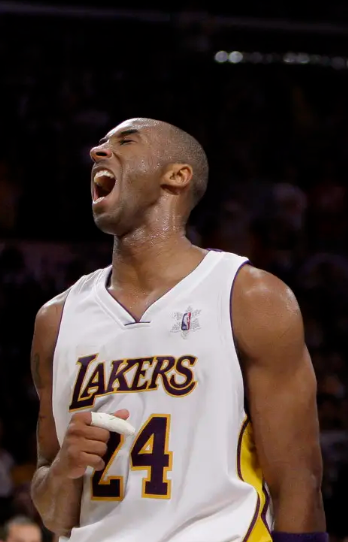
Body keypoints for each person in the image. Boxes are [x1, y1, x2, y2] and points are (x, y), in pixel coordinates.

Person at [30, 118, 326, 542]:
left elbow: (298, 479)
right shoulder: (56, 319)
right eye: (100, 144)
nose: (98, 152)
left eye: (126, 141)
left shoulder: (248, 296)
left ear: (177, 176)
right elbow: (53, 513)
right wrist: (64, 469)